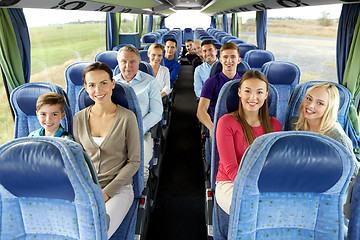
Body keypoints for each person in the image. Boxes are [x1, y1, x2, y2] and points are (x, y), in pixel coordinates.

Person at [73, 62, 141, 238]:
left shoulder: (127, 117)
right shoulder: (78, 119)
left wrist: (106, 192)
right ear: (86, 88)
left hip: (119, 189)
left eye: (103, 83)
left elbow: (134, 162)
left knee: (98, 231)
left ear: (112, 83)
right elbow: (78, 160)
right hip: (87, 189)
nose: (98, 90)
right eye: (92, 85)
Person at [215, 70, 282, 215]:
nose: (253, 97)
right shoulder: (226, 122)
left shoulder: (275, 125)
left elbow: (273, 164)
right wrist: (252, 187)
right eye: (247, 91)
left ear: (266, 95)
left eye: (259, 92)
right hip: (230, 182)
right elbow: (231, 168)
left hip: (263, 183)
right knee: (249, 210)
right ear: (239, 92)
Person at [290, 82, 359, 219]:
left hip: (335, 188)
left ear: (329, 108)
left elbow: (354, 173)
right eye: (308, 98)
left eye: (320, 103)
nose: (310, 106)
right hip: (306, 182)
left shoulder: (336, 136)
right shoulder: (296, 124)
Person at [114, 45, 163, 184]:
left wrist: (138, 129)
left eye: (132, 62)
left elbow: (156, 112)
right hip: (116, 133)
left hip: (142, 132)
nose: (128, 66)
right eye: (123, 61)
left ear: (139, 62)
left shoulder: (150, 82)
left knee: (141, 168)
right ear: (118, 63)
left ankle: (140, 196)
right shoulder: (111, 83)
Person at [197, 42, 242, 139]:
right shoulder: (211, 83)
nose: (229, 61)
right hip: (218, 126)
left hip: (241, 127)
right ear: (220, 60)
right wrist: (211, 127)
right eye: (225, 57)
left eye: (233, 57)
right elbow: (201, 111)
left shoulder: (245, 83)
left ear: (239, 60)